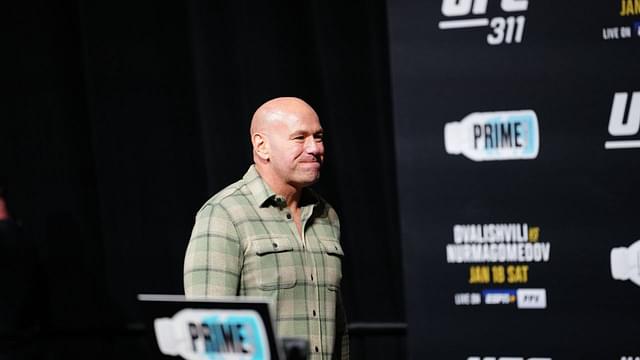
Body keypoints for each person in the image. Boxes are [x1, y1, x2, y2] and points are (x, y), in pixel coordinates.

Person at [183, 97, 348, 359]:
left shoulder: (327, 216)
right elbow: (208, 338)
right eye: (299, 138)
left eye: (318, 137)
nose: (315, 148)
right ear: (262, 146)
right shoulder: (224, 213)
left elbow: (338, 331)